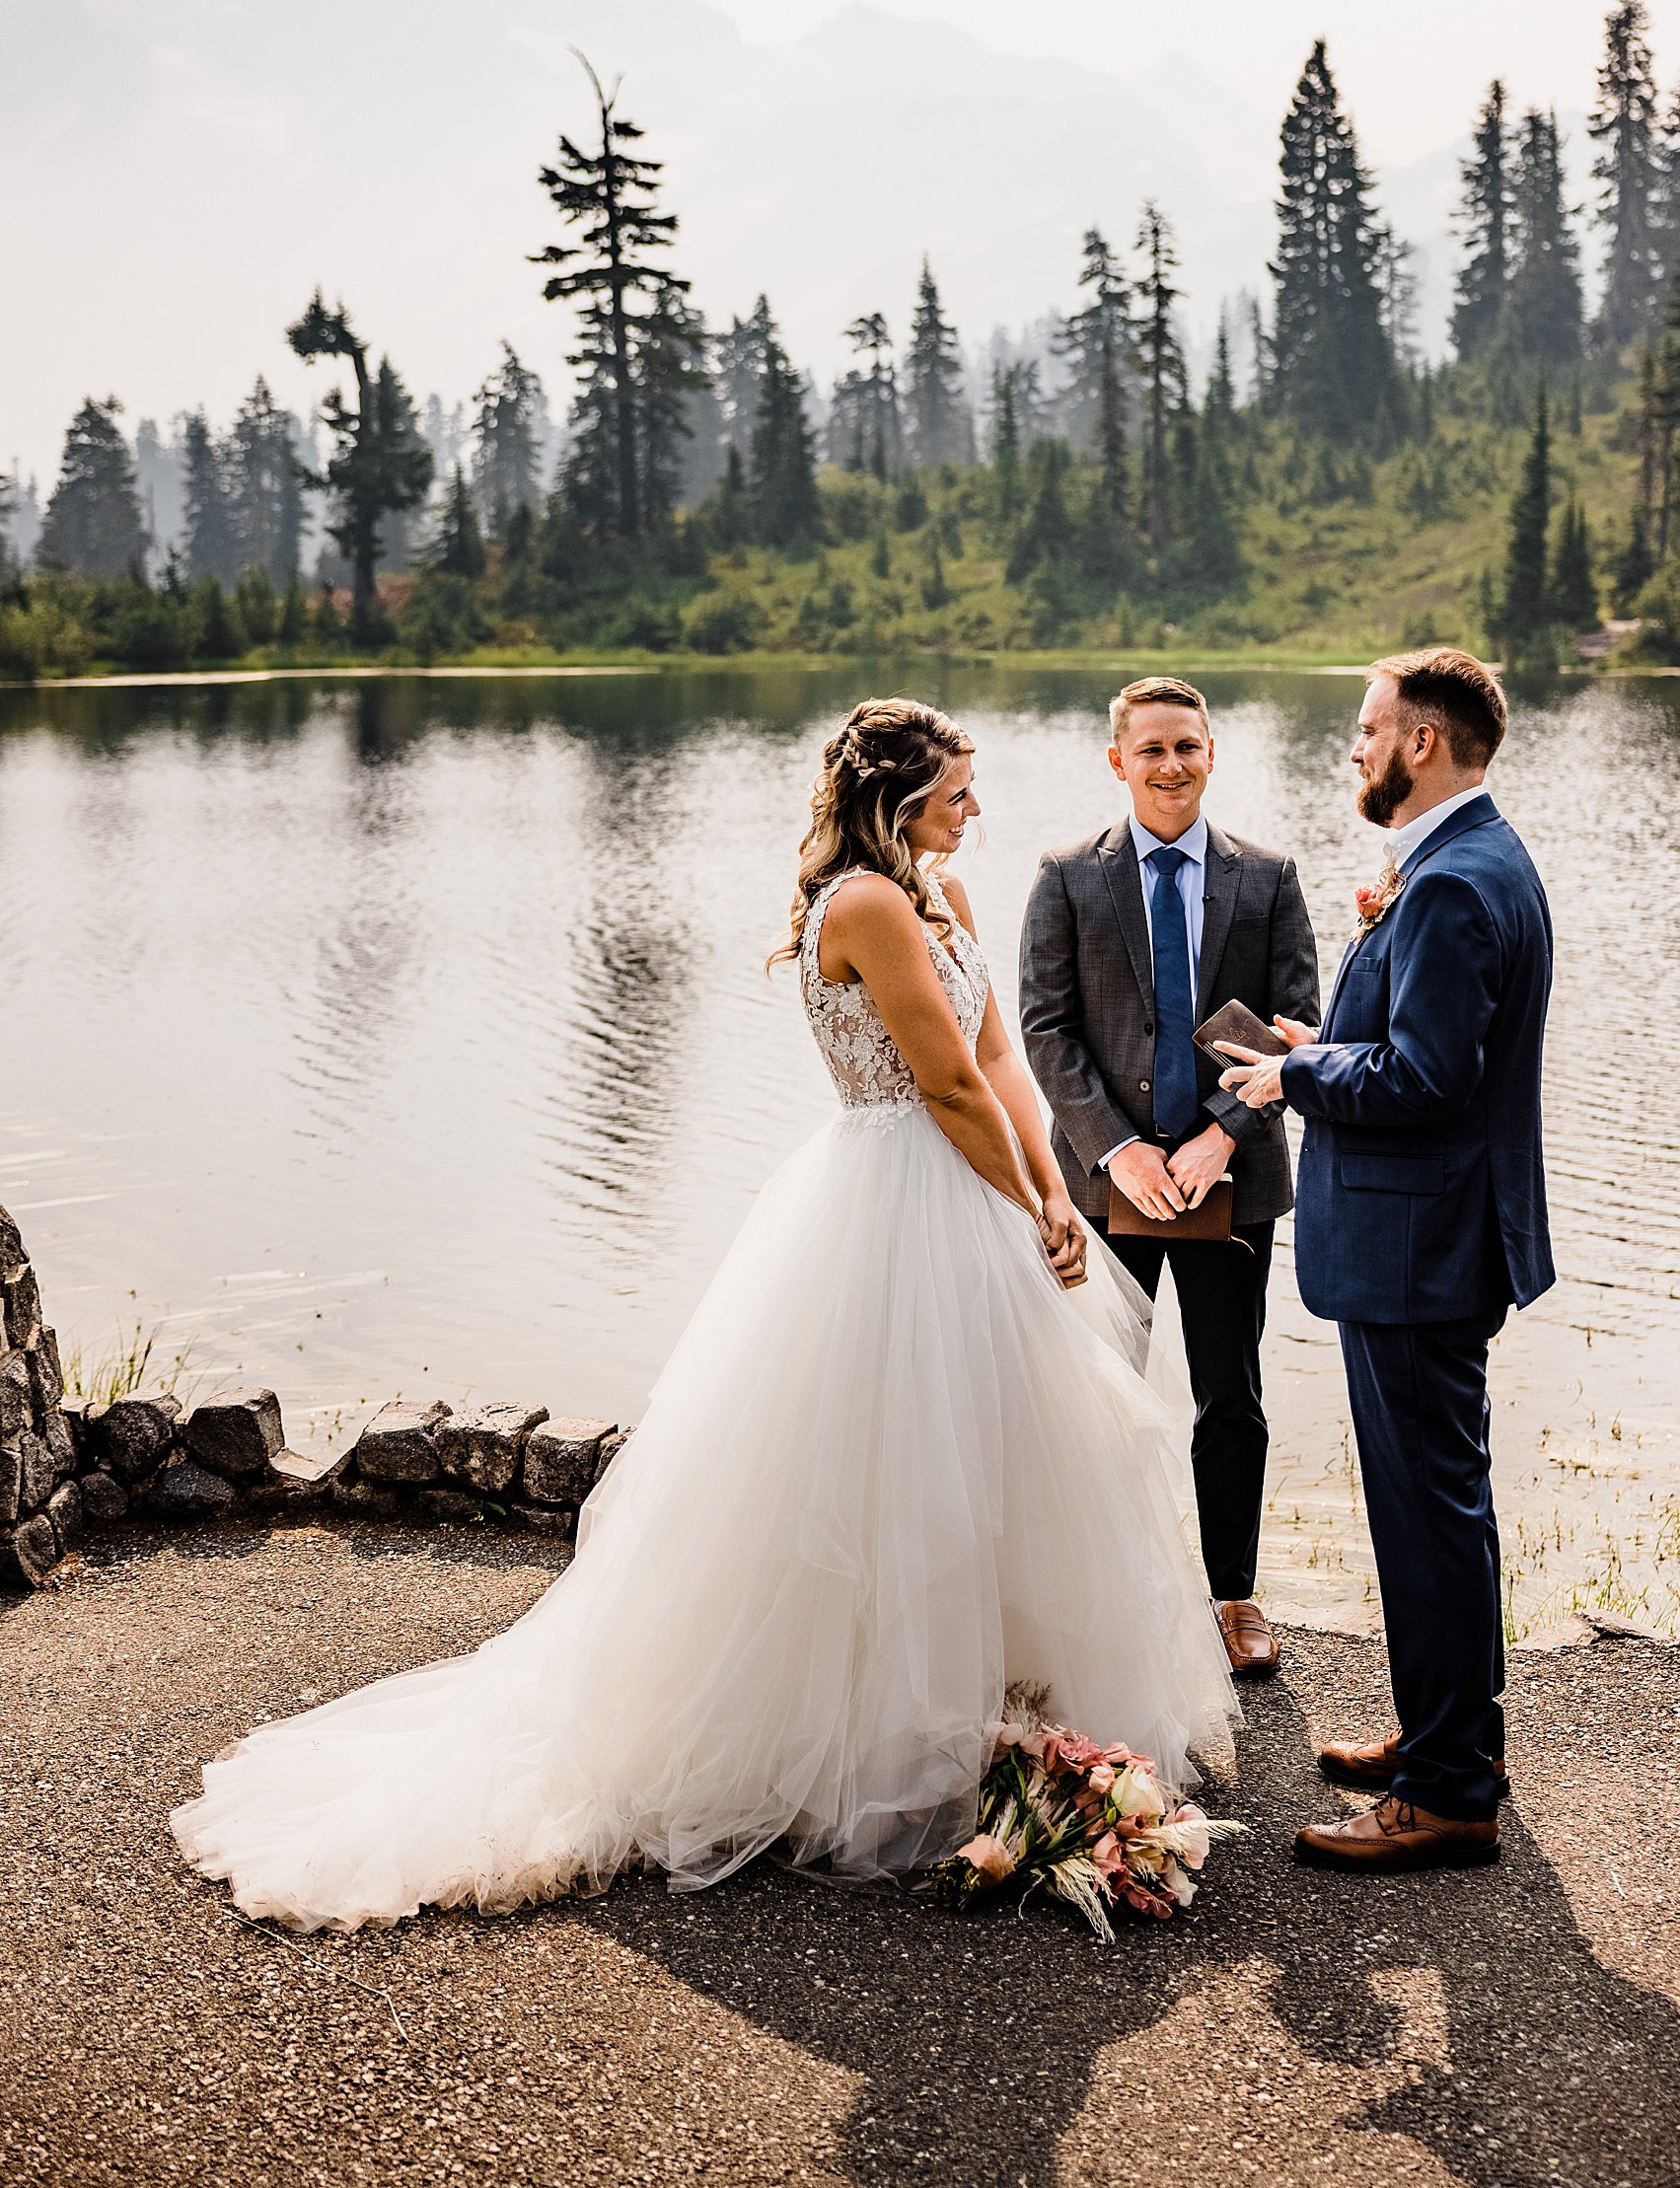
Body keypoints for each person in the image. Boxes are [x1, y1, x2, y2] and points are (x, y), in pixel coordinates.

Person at [172, 696, 1236, 1932]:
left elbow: (998, 1062)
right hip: (893, 1199)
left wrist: (1053, 1193)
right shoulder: (867, 905)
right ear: (898, 798)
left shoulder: (944, 896)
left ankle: (972, 1714)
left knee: (997, 1458)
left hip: (980, 1190)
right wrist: (1030, 1200)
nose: (974, 808)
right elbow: (939, 1082)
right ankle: (863, 1738)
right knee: (881, 1471)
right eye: (957, 790)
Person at [1222, 648, 1553, 1874]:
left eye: (1367, 728)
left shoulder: (1455, 883)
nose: (1354, 747)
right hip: (1436, 1237)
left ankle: (1451, 1792)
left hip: (1420, 1248)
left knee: (1427, 1512)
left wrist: (1294, 1071)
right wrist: (1328, 1038)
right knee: (1439, 1506)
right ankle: (1444, 1738)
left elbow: (1424, 1081)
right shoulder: (1476, 859)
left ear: (1421, 740)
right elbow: (1418, 1046)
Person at [1019, 676, 1321, 1679]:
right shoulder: (1068, 875)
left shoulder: (1269, 877)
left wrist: (1222, 1134)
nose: (1170, 764)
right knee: (1099, 1393)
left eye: (1187, 745)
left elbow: (1294, 1026)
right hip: (1113, 1186)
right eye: (1150, 748)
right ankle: (1094, 1596)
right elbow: (1046, 1030)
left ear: (1211, 751)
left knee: (1230, 1394)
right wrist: (1121, 1147)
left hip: (1231, 1180)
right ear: (1119, 760)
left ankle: (1233, 1596)